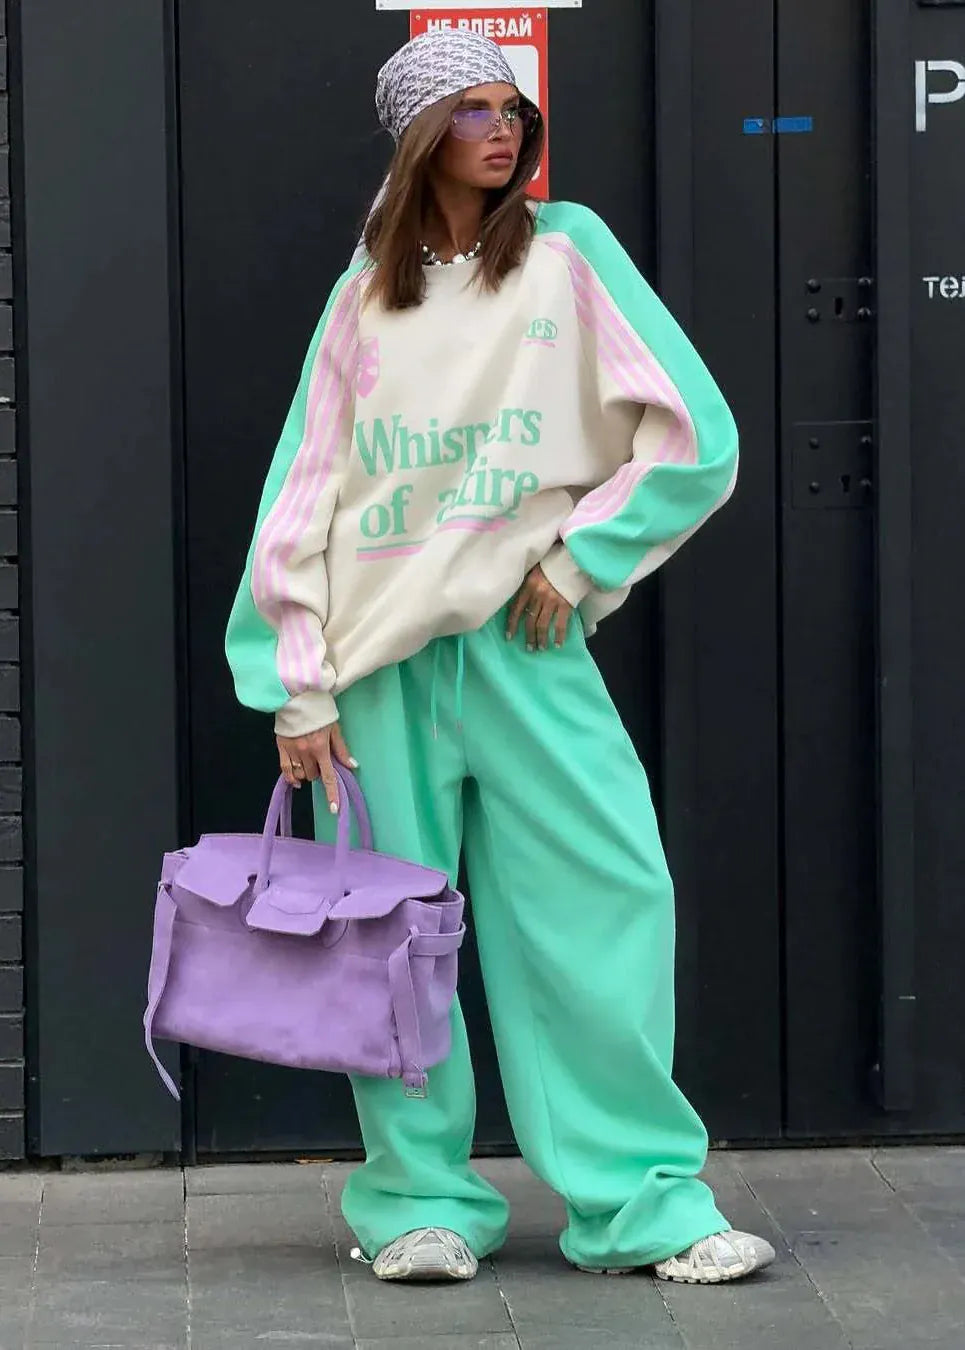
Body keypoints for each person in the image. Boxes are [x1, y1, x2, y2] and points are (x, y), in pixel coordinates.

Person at [225, 29, 775, 1287]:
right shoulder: (364, 290)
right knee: (387, 934)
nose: (502, 128)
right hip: (372, 674)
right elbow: (298, 498)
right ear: (419, 133)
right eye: (468, 110)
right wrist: (292, 680)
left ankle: (642, 1204)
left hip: (524, 652)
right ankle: (417, 1201)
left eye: (510, 107)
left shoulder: (568, 251)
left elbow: (696, 437)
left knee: (604, 907)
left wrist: (577, 561)